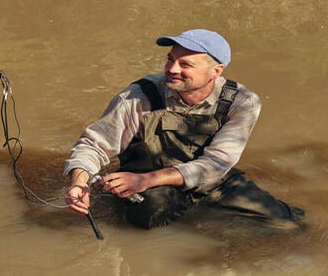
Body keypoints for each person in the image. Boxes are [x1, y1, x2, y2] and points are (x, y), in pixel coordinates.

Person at [61, 29, 305, 232]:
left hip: (212, 180)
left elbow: (217, 163)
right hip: (147, 184)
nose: (172, 68)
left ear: (215, 72)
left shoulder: (243, 102)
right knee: (144, 220)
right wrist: (79, 184)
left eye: (185, 63)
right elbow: (93, 145)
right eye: (170, 59)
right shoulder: (138, 96)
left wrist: (146, 180)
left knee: (286, 225)